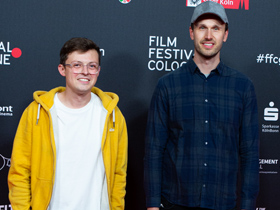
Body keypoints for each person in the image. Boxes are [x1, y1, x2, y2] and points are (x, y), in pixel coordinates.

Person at [144, 1, 259, 210]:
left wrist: (248, 205)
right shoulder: (168, 85)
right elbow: (154, 150)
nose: (208, 35)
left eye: (216, 28)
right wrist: (152, 204)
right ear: (191, 32)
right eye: (202, 27)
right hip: (175, 202)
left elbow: (250, 154)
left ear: (225, 34)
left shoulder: (243, 87)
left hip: (223, 203)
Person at [8, 37, 128, 210]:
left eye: (92, 66)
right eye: (77, 65)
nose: (85, 72)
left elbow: (118, 175)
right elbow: (19, 172)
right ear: (62, 69)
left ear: (98, 70)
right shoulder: (36, 112)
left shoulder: (113, 116)